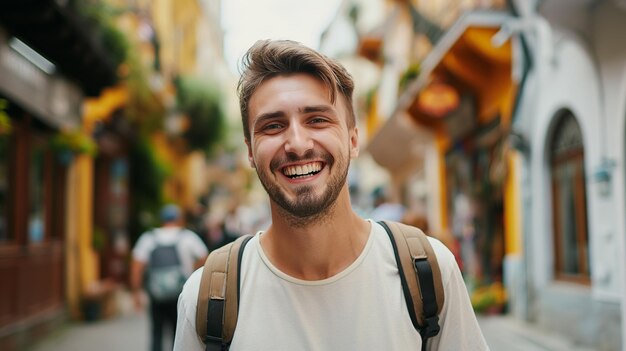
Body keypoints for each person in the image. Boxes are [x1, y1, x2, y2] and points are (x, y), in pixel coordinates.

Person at [174, 39, 488, 350]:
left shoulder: (429, 274)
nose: (297, 144)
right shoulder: (208, 298)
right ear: (250, 153)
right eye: (272, 126)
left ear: (353, 141)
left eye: (318, 120)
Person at [131, 203, 208, 351]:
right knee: (177, 332)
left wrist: (136, 292)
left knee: (156, 332)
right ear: (179, 219)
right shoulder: (187, 237)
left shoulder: (148, 238)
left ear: (162, 220)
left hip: (156, 294)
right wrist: (193, 272)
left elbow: (136, 266)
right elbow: (205, 257)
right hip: (179, 293)